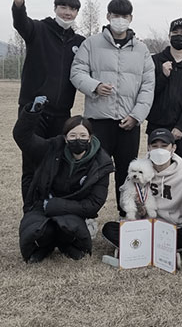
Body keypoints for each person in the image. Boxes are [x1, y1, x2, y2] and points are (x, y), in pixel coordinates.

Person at [70, 0, 155, 216]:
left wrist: (137, 116)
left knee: (128, 173)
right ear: (108, 17)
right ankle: (88, 216)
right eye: (116, 16)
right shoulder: (91, 43)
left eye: (124, 16)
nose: (120, 20)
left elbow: (148, 86)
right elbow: (77, 72)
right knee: (94, 171)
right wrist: (95, 86)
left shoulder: (142, 50)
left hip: (129, 123)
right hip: (99, 121)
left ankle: (125, 215)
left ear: (131, 18)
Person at [13, 96, 113, 263]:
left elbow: (94, 203)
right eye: (72, 135)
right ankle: (44, 247)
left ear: (89, 138)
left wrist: (58, 206)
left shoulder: (101, 162)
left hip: (73, 210)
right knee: (38, 231)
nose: (77, 139)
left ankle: (66, 245)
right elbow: (23, 137)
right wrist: (32, 112)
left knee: (67, 229)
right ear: (65, 138)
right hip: (43, 205)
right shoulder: (51, 148)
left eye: (82, 135)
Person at [11, 0, 85, 202]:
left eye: (72, 9)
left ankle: (52, 207)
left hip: (62, 114)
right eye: (63, 7)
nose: (67, 12)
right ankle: (31, 211)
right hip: (34, 111)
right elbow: (21, 24)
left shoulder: (79, 42)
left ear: (76, 13)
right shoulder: (39, 30)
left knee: (58, 162)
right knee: (32, 164)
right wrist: (18, 5)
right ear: (55, 8)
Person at [102, 128, 182, 266]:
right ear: (148, 148)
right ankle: (164, 251)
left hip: (171, 227)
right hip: (143, 224)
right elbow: (125, 198)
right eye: (155, 146)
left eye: (164, 146)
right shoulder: (138, 169)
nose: (159, 150)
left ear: (173, 148)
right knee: (109, 228)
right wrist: (137, 208)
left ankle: (134, 248)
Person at [146, 18, 182, 166]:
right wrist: (163, 76)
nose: (179, 36)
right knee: (155, 169)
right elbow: (147, 93)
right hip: (157, 125)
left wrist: (181, 126)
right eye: (175, 32)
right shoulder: (155, 61)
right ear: (169, 35)